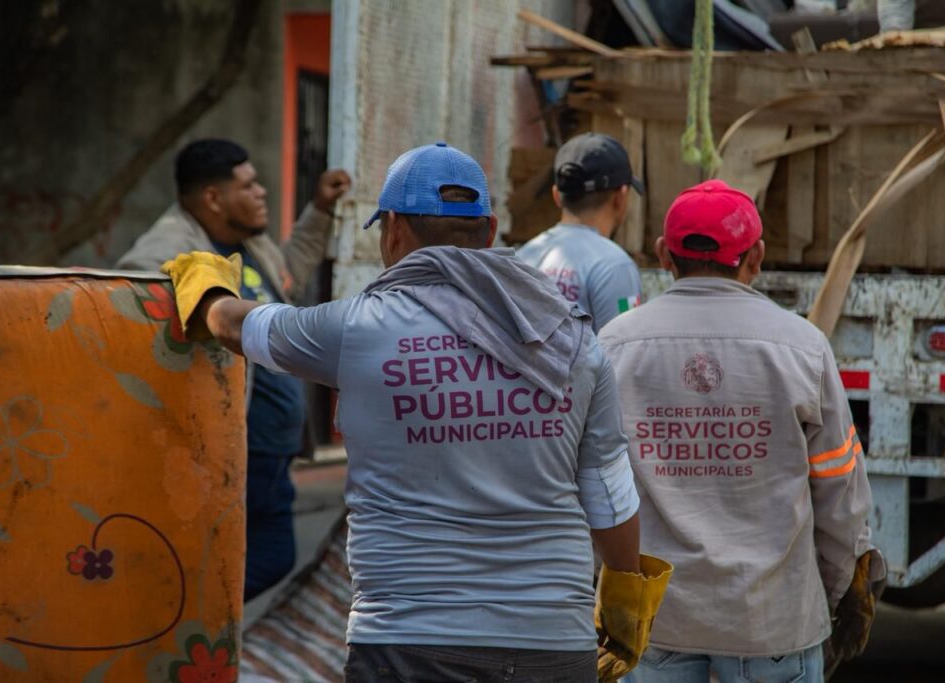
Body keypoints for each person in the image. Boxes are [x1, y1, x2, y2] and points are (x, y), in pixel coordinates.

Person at [160, 141, 672, 682]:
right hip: (552, 642)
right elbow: (609, 493)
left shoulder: (355, 329)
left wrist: (207, 287)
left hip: (406, 644)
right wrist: (624, 606)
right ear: (490, 231)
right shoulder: (571, 339)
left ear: (394, 231)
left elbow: (238, 326)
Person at [599, 180, 885, 683]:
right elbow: (839, 489)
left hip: (655, 621)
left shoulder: (614, 346)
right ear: (756, 258)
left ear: (664, 255)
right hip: (771, 622)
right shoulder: (802, 347)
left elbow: (589, 482)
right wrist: (843, 590)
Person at [117, 138, 351, 601]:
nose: (261, 192)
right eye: (248, 185)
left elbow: (287, 278)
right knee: (252, 559)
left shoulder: (248, 242)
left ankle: (188, 629)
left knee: (248, 560)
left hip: (269, 454)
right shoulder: (165, 251)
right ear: (213, 197)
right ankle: (177, 626)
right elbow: (132, 309)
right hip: (224, 453)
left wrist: (320, 209)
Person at [516, 133, 644, 333]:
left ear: (556, 196)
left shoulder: (522, 257)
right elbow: (625, 346)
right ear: (621, 197)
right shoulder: (614, 266)